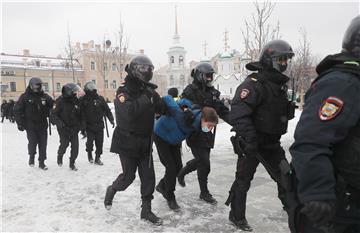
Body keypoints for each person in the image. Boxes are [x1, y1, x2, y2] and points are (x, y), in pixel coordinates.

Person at [290, 16, 360, 233]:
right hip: (342, 204)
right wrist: (318, 192)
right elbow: (311, 139)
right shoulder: (343, 82)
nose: (283, 64)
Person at [227, 39, 295, 231]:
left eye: (286, 59)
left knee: (286, 176)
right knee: (243, 181)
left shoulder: (279, 85)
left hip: (272, 143)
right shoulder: (254, 83)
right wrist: (249, 137)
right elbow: (239, 112)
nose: (284, 63)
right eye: (280, 59)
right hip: (253, 143)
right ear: (268, 60)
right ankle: (236, 216)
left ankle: (293, 209)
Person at [104, 55, 166, 225]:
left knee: (148, 178)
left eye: (150, 69)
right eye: (144, 69)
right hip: (127, 142)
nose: (148, 72)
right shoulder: (123, 91)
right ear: (135, 70)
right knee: (128, 177)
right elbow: (127, 113)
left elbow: (162, 108)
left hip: (145, 142)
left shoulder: (149, 90)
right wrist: (147, 98)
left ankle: (146, 211)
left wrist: (172, 105)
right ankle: (112, 189)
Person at [154, 95, 219, 211]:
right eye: (209, 126)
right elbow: (168, 99)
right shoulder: (185, 117)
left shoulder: (197, 125)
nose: (209, 129)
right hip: (161, 136)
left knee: (178, 167)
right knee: (171, 168)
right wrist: (183, 108)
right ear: (203, 119)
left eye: (212, 127)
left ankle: (162, 185)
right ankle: (170, 197)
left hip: (173, 141)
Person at [177, 62, 230, 205]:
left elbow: (222, 110)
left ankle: (187, 176)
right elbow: (181, 105)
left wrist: (237, 122)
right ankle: (203, 191)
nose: (209, 78)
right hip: (194, 132)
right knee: (204, 162)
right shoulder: (190, 90)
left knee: (203, 162)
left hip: (207, 132)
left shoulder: (212, 92)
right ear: (200, 75)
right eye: (207, 75)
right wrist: (186, 111)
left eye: (211, 76)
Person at [13, 77, 54, 170]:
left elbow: (53, 104)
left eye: (39, 85)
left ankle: (42, 162)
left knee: (43, 145)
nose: (38, 87)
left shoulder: (44, 96)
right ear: (31, 85)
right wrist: (19, 123)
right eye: (36, 85)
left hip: (43, 125)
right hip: (30, 125)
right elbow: (16, 110)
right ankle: (32, 157)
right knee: (32, 143)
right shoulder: (25, 97)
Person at [80, 81, 114, 165]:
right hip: (89, 126)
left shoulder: (100, 99)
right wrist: (82, 127)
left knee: (99, 143)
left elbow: (107, 110)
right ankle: (89, 154)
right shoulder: (83, 100)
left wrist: (111, 119)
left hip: (99, 125)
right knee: (90, 143)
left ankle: (97, 157)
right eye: (90, 87)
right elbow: (81, 115)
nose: (92, 89)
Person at [51, 83, 83, 171]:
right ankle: (60, 156)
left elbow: (80, 115)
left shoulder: (76, 101)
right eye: (73, 91)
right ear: (68, 91)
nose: (75, 93)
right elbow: (53, 115)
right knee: (64, 144)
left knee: (75, 147)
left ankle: (72, 163)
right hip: (63, 128)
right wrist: (60, 124)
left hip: (74, 128)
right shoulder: (59, 101)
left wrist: (80, 126)